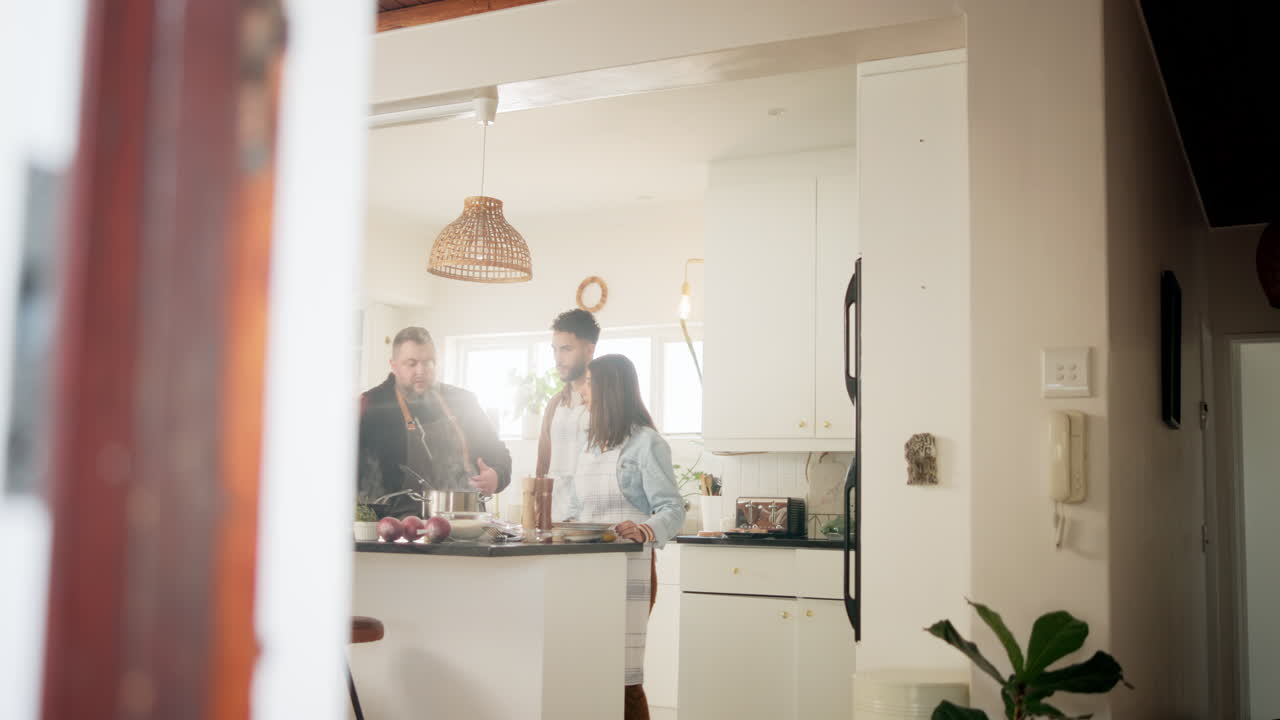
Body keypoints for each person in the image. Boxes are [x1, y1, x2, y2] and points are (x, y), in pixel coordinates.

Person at [568, 354, 685, 720]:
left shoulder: (646, 443)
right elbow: (576, 509)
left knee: (624, 677)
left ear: (610, 389)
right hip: (588, 570)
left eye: (590, 384)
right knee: (591, 672)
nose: (583, 391)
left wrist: (644, 529)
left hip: (630, 569)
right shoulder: (589, 445)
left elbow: (672, 509)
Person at [357, 327, 511, 517]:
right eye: (412, 364)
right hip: (399, 528)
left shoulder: (463, 401)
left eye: (428, 362)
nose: (421, 371)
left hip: (465, 525)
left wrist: (496, 476)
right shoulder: (371, 405)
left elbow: (500, 455)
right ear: (393, 365)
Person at [535, 308, 599, 522]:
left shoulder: (606, 403)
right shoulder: (554, 404)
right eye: (554, 350)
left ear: (589, 349)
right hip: (555, 521)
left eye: (566, 349)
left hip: (595, 522)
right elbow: (543, 466)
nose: (558, 359)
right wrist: (539, 518)